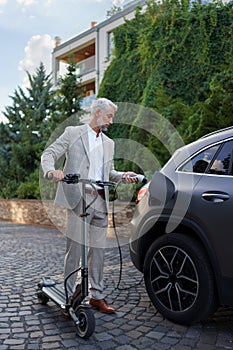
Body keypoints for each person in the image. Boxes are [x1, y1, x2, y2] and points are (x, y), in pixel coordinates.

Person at [41, 97, 137, 314]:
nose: (111, 121)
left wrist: (123, 176)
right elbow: (49, 153)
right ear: (97, 113)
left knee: (98, 252)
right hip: (78, 199)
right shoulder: (73, 133)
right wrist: (52, 171)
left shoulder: (109, 143)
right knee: (75, 251)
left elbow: (108, 173)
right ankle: (68, 298)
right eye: (109, 116)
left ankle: (97, 296)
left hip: (100, 201)